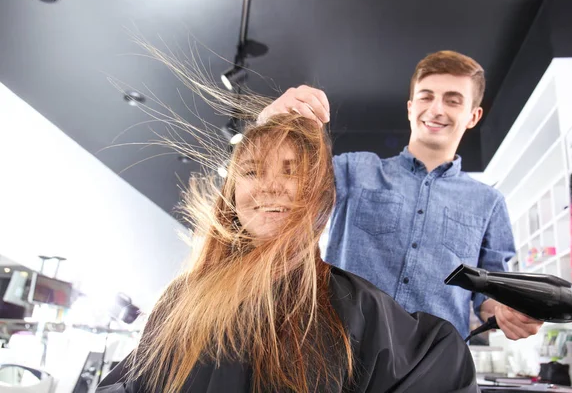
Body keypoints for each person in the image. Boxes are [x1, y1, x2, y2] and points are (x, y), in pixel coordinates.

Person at [96, 73, 478, 392]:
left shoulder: (357, 311)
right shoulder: (184, 299)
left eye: (291, 171)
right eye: (251, 171)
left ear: (320, 192)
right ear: (231, 192)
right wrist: (265, 126)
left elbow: (444, 365)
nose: (269, 187)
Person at [257, 50, 543, 341]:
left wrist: (508, 313)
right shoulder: (353, 171)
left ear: (473, 115)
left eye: (453, 100)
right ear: (410, 107)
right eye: (426, 96)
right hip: (343, 357)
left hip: (435, 368)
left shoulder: (489, 203)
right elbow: (276, 188)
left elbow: (488, 299)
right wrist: (268, 124)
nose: (436, 109)